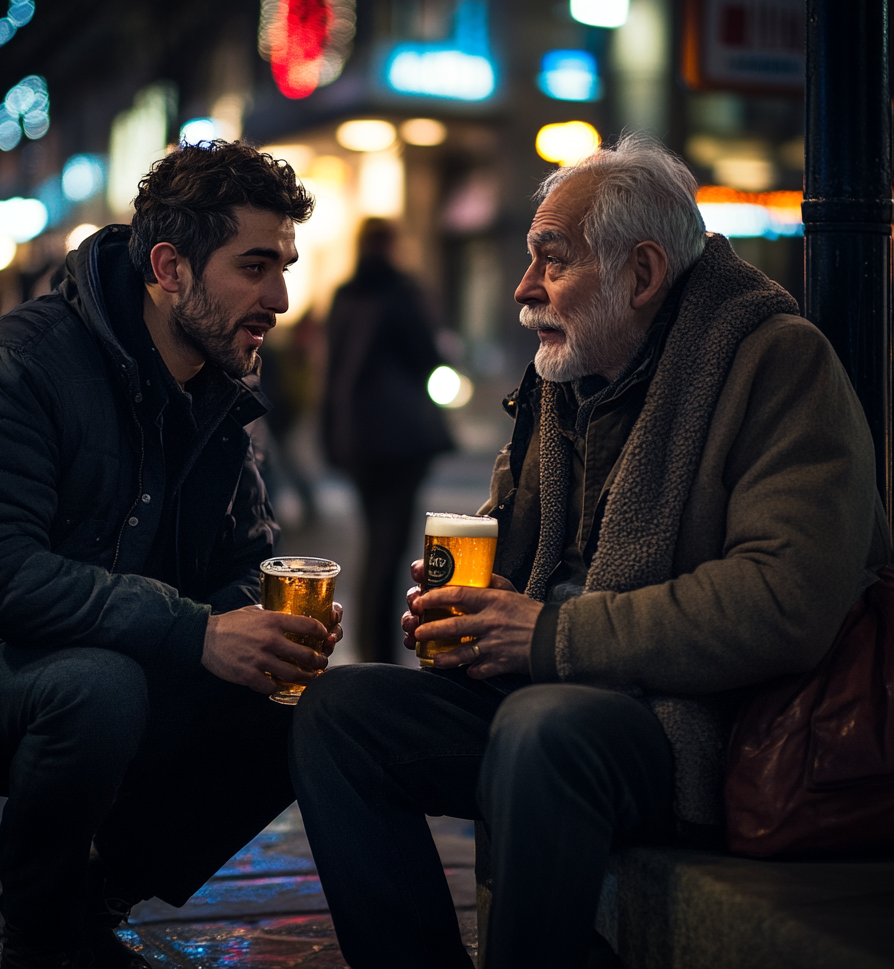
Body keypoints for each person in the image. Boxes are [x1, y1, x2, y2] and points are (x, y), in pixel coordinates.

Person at [289, 134, 889, 969]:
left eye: (551, 260)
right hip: (554, 694)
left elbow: (787, 599)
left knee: (544, 727)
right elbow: (509, 546)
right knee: (338, 713)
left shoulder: (776, 362)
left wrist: (546, 635)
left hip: (693, 730)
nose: (524, 288)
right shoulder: (560, 379)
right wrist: (463, 615)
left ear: (642, 275)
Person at [0, 141, 344, 969]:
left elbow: (243, 556)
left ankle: (99, 896)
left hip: (107, 656)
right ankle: (43, 938)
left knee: (309, 706)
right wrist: (197, 633)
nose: (280, 297)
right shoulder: (24, 363)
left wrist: (261, 626)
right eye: (255, 266)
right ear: (170, 267)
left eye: (285, 265)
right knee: (97, 687)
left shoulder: (219, 391)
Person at [322, 218, 453, 662]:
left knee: (374, 538)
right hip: (401, 436)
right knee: (390, 543)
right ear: (390, 245)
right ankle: (379, 651)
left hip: (357, 435)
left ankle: (368, 644)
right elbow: (427, 355)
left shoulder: (344, 294)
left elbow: (332, 368)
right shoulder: (401, 291)